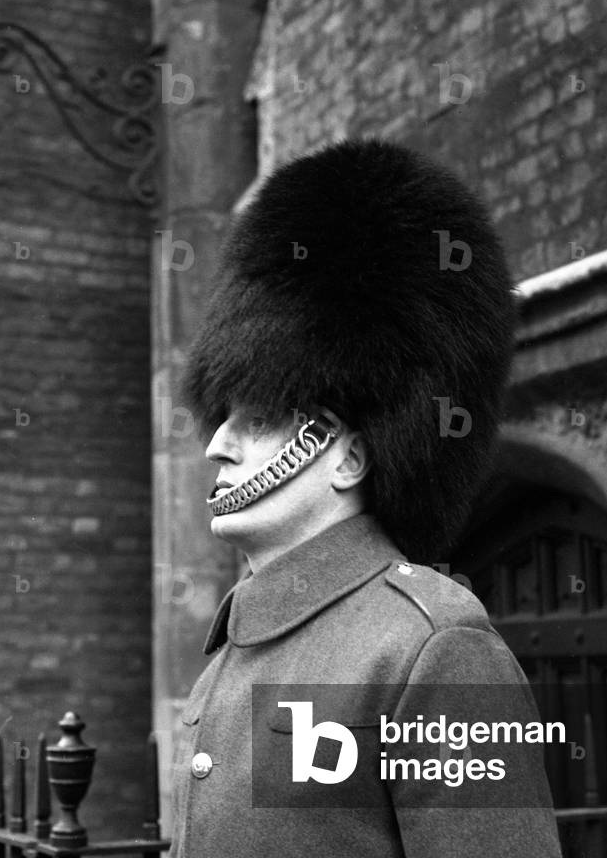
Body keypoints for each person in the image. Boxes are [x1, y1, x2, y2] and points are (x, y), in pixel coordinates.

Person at [169, 139, 563, 857]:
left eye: (257, 418)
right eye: (223, 418)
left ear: (346, 455)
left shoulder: (431, 649)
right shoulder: (234, 646)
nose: (217, 446)